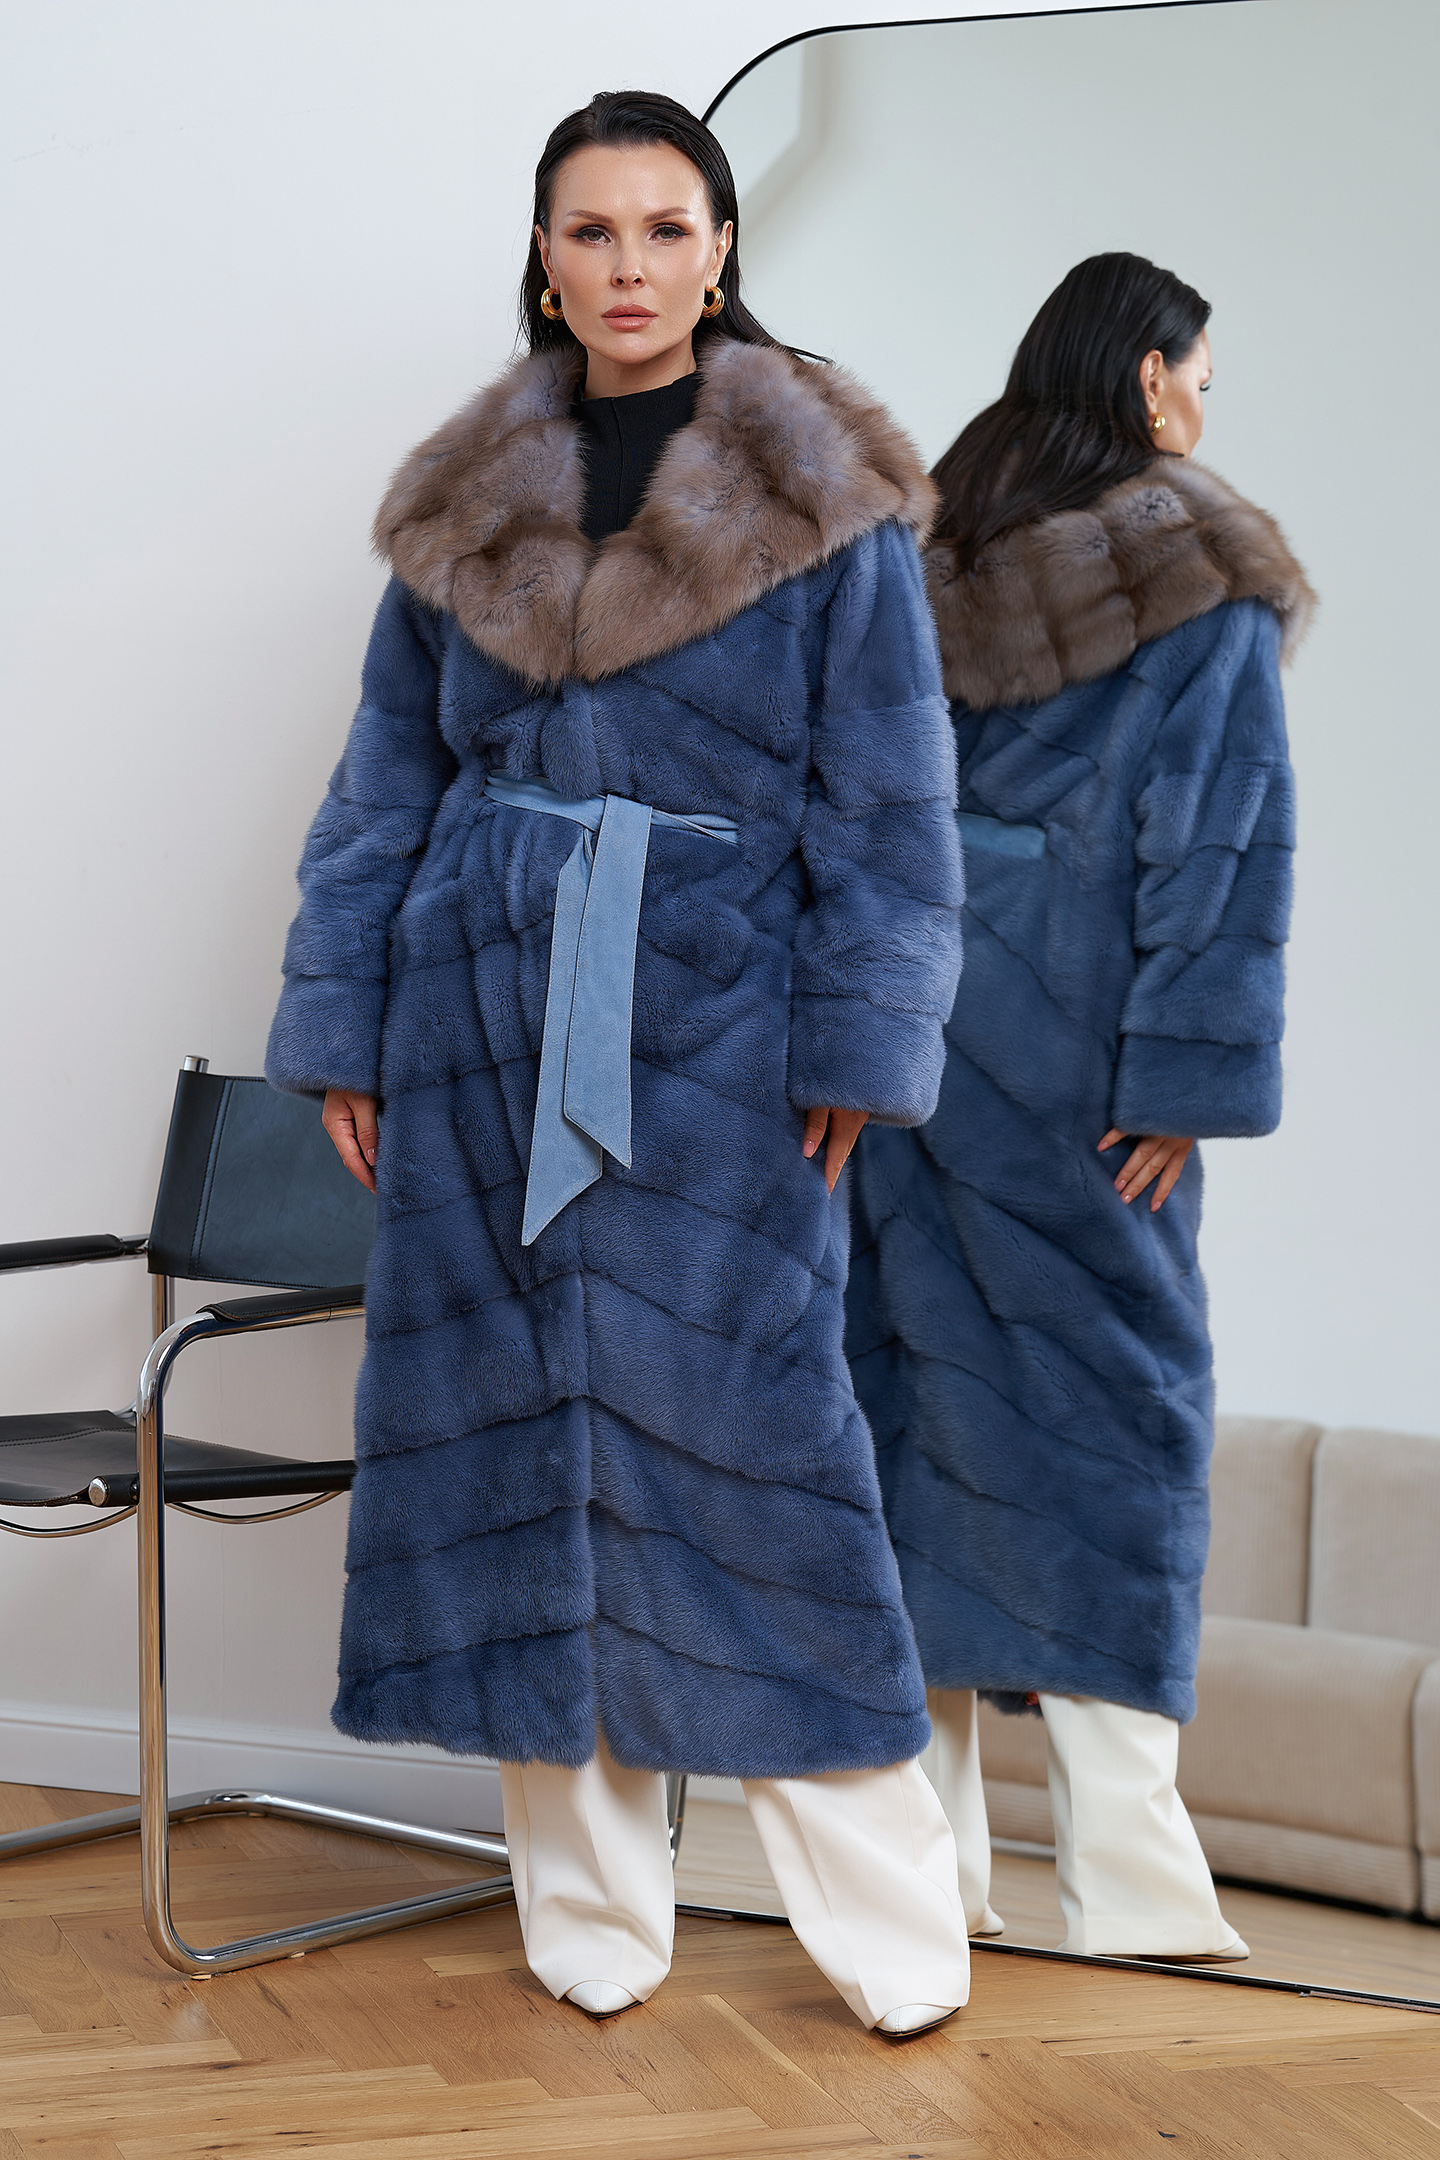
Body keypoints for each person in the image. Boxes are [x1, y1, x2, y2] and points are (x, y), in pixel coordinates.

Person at [266, 90, 971, 2034]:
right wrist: (349, 1025)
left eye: (667, 228)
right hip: (482, 1016)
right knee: (513, 1458)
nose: (631, 266)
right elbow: (383, 786)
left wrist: (859, 1037)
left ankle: (895, 1934)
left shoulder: (826, 500)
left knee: (766, 1474)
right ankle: (590, 1916)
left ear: (722, 250)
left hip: (720, 1025)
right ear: (547, 256)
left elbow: (895, 802)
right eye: (593, 231)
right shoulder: (465, 506)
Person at [847, 253, 1314, 1959]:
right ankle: (1134, 1886)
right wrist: (1184, 1080)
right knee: (1121, 1435)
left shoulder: (926, 549)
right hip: (1080, 1071)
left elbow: (856, 810)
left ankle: (930, 1878)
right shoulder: (1202, 577)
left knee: (911, 1422)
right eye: (1199, 374)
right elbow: (1223, 850)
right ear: (1143, 378)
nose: (1203, 404)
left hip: (903, 1060)